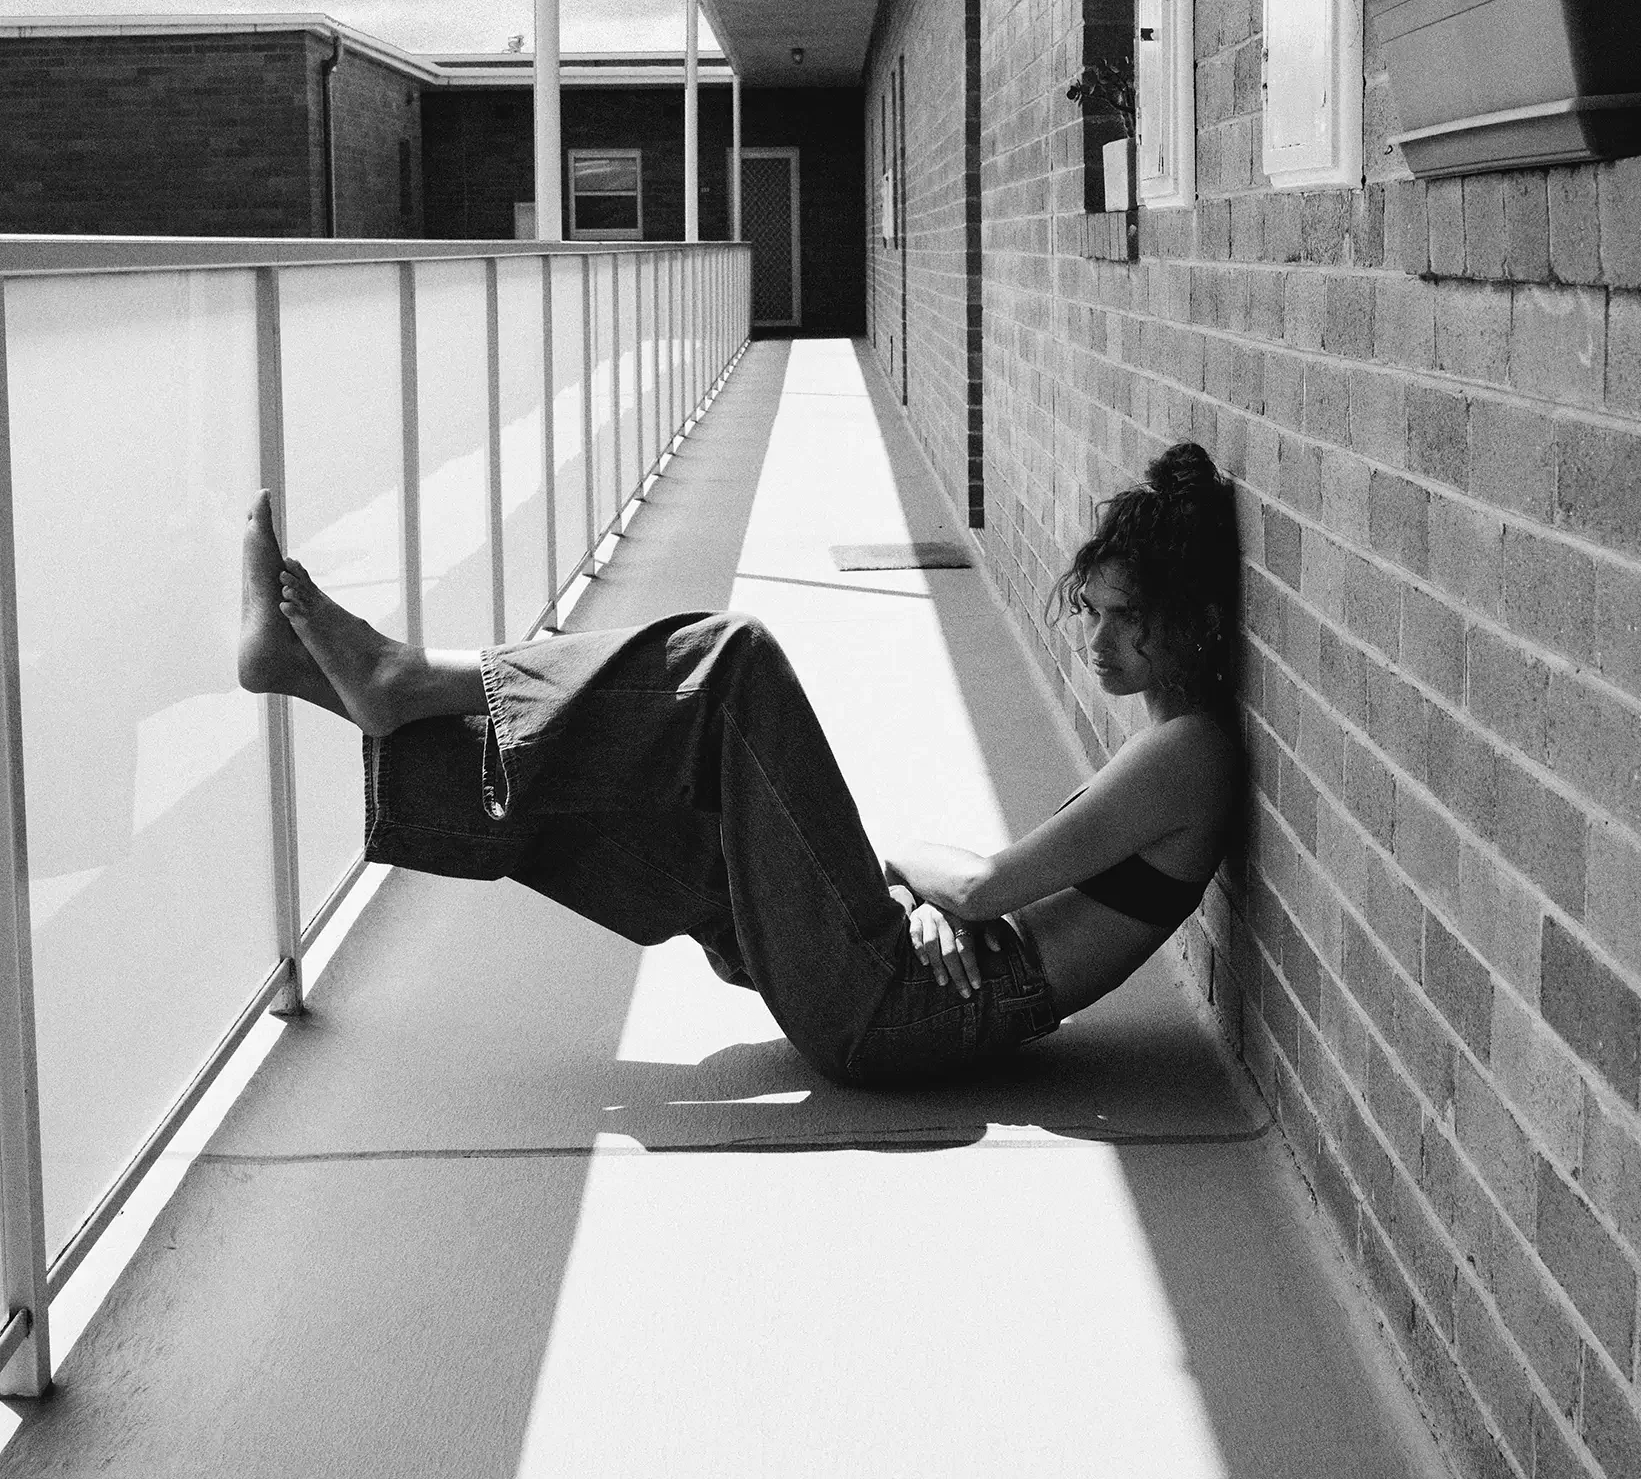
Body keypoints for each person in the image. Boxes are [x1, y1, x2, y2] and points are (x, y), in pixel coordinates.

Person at [237, 442, 1241, 1090]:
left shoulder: (1185, 754)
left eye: (1128, 618)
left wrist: (950, 898)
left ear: (1192, 623)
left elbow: (983, 880)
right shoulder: (1162, 741)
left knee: (732, 665)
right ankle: (321, 681)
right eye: (1094, 610)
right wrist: (926, 896)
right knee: (648, 795)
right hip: (907, 979)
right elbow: (972, 877)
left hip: (911, 1010)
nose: (1100, 641)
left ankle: (406, 676)